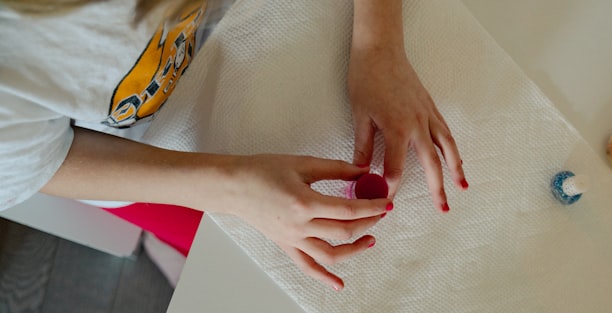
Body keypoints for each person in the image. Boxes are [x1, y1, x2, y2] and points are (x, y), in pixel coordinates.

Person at [0, 0, 465, 289]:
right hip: (131, 158)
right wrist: (233, 189)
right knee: (226, 263)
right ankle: (177, 254)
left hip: (249, 32)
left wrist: (378, 45)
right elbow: (42, 160)